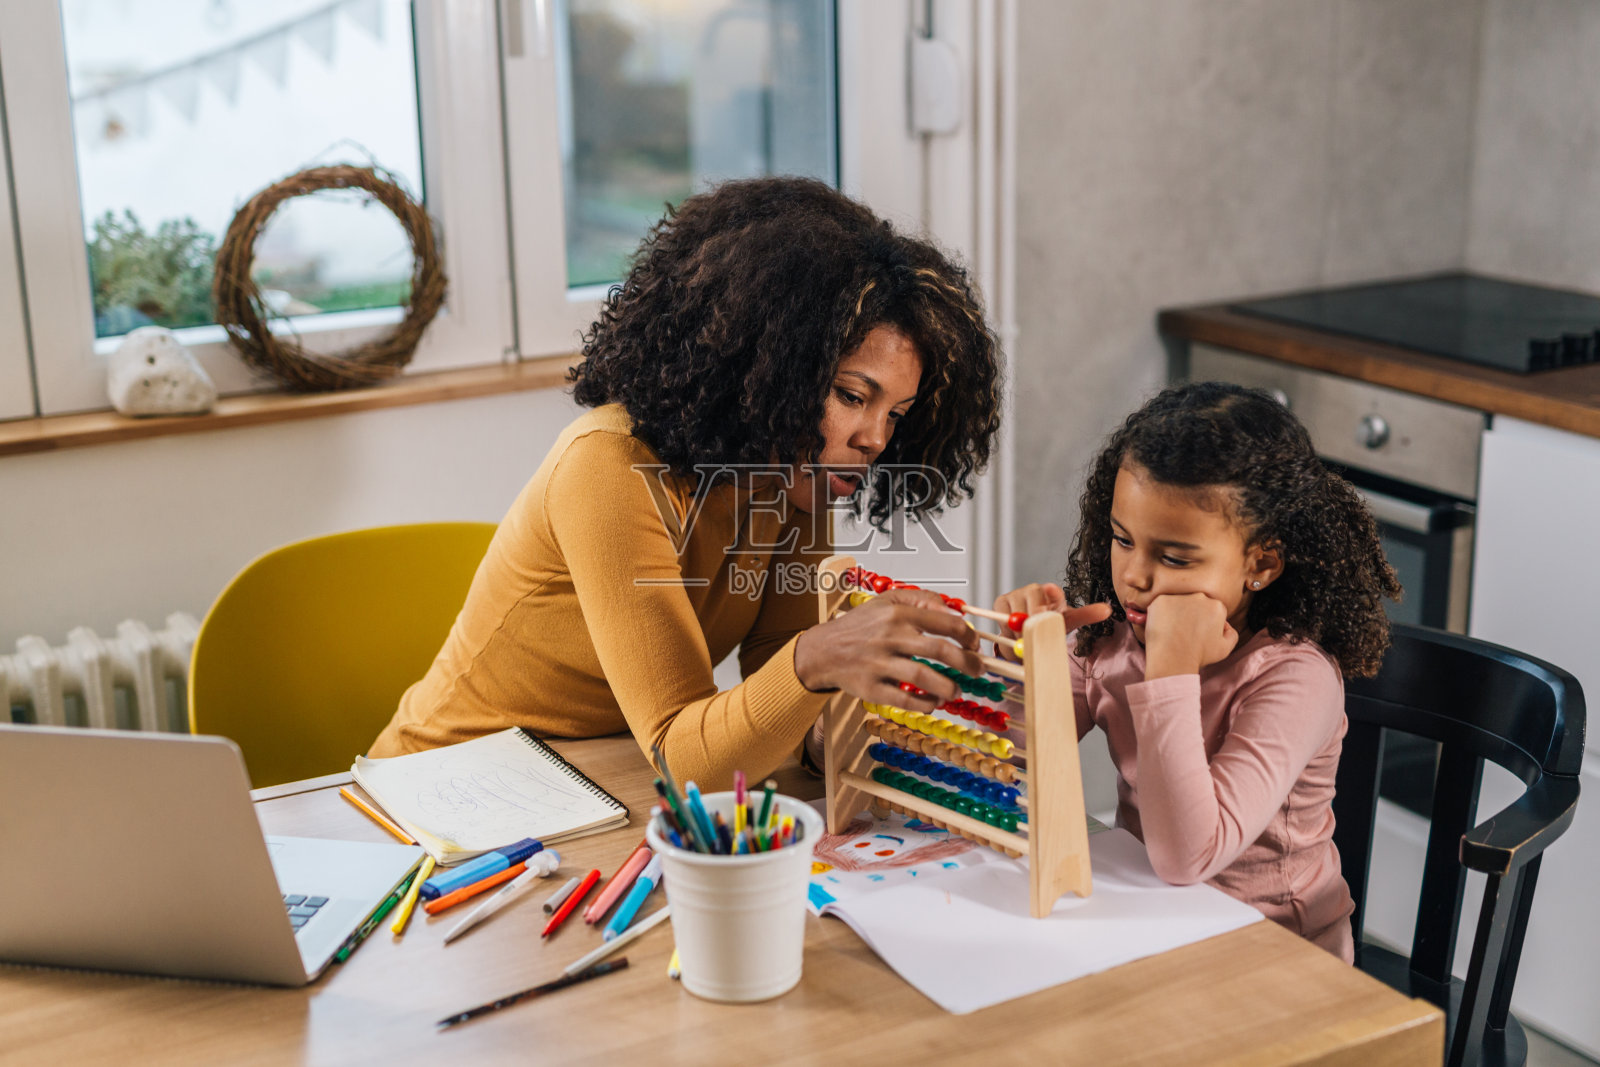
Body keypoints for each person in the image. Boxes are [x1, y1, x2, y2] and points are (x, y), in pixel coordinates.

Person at [370, 177, 1005, 789]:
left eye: (895, 413)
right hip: (445, 792)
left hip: (600, 783)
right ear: (770, 365)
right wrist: (819, 657)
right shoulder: (608, 465)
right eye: (850, 395)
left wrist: (871, 715)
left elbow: (776, 685)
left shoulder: (797, 476)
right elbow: (687, 751)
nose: (875, 439)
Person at [996, 381, 1400, 961]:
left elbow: (1187, 855)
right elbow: (1011, 754)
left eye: (1175, 558)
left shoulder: (1294, 677)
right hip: (1154, 925)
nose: (1135, 575)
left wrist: (1170, 668)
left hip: (1275, 957)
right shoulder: (1112, 637)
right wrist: (1021, 663)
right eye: (1121, 539)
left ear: (1259, 563)